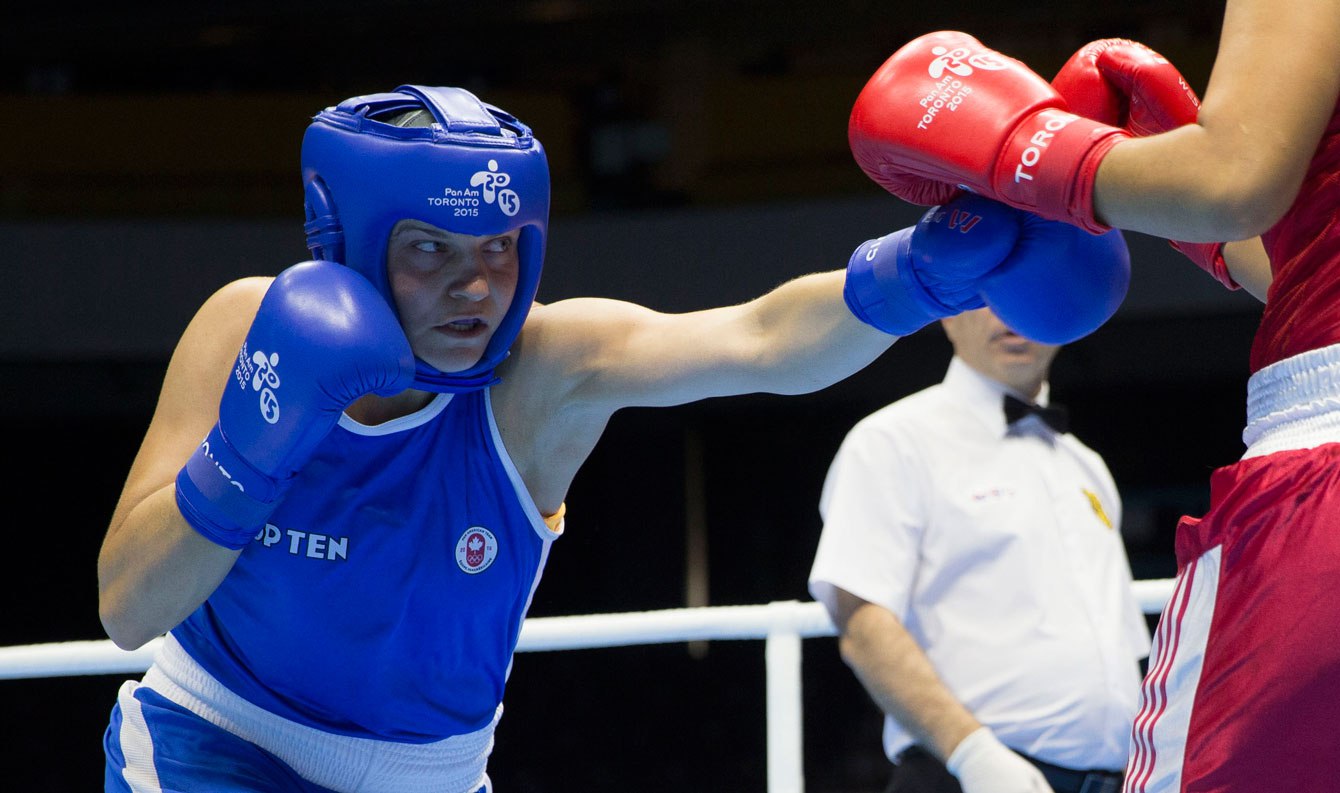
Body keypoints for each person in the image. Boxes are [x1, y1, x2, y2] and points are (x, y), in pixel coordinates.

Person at [94, 84, 1131, 793]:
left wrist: (918, 271)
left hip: (434, 771)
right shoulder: (245, 326)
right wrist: (252, 449)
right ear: (349, 246)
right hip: (215, 741)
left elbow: (760, 338)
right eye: (430, 250)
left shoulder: (544, 369)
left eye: (499, 248)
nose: (475, 284)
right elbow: (128, 609)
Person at [843, 9, 1340, 791]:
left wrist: (1025, 150)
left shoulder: (1083, 468)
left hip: (1320, 468)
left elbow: (1230, 181)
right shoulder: (895, 441)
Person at [809, 306, 1150, 793]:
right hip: (962, 776)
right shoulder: (892, 441)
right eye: (991, 292)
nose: (1013, 311)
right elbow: (863, 623)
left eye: (1029, 292)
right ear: (948, 315)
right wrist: (972, 754)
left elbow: (1124, 650)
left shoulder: (1086, 466)